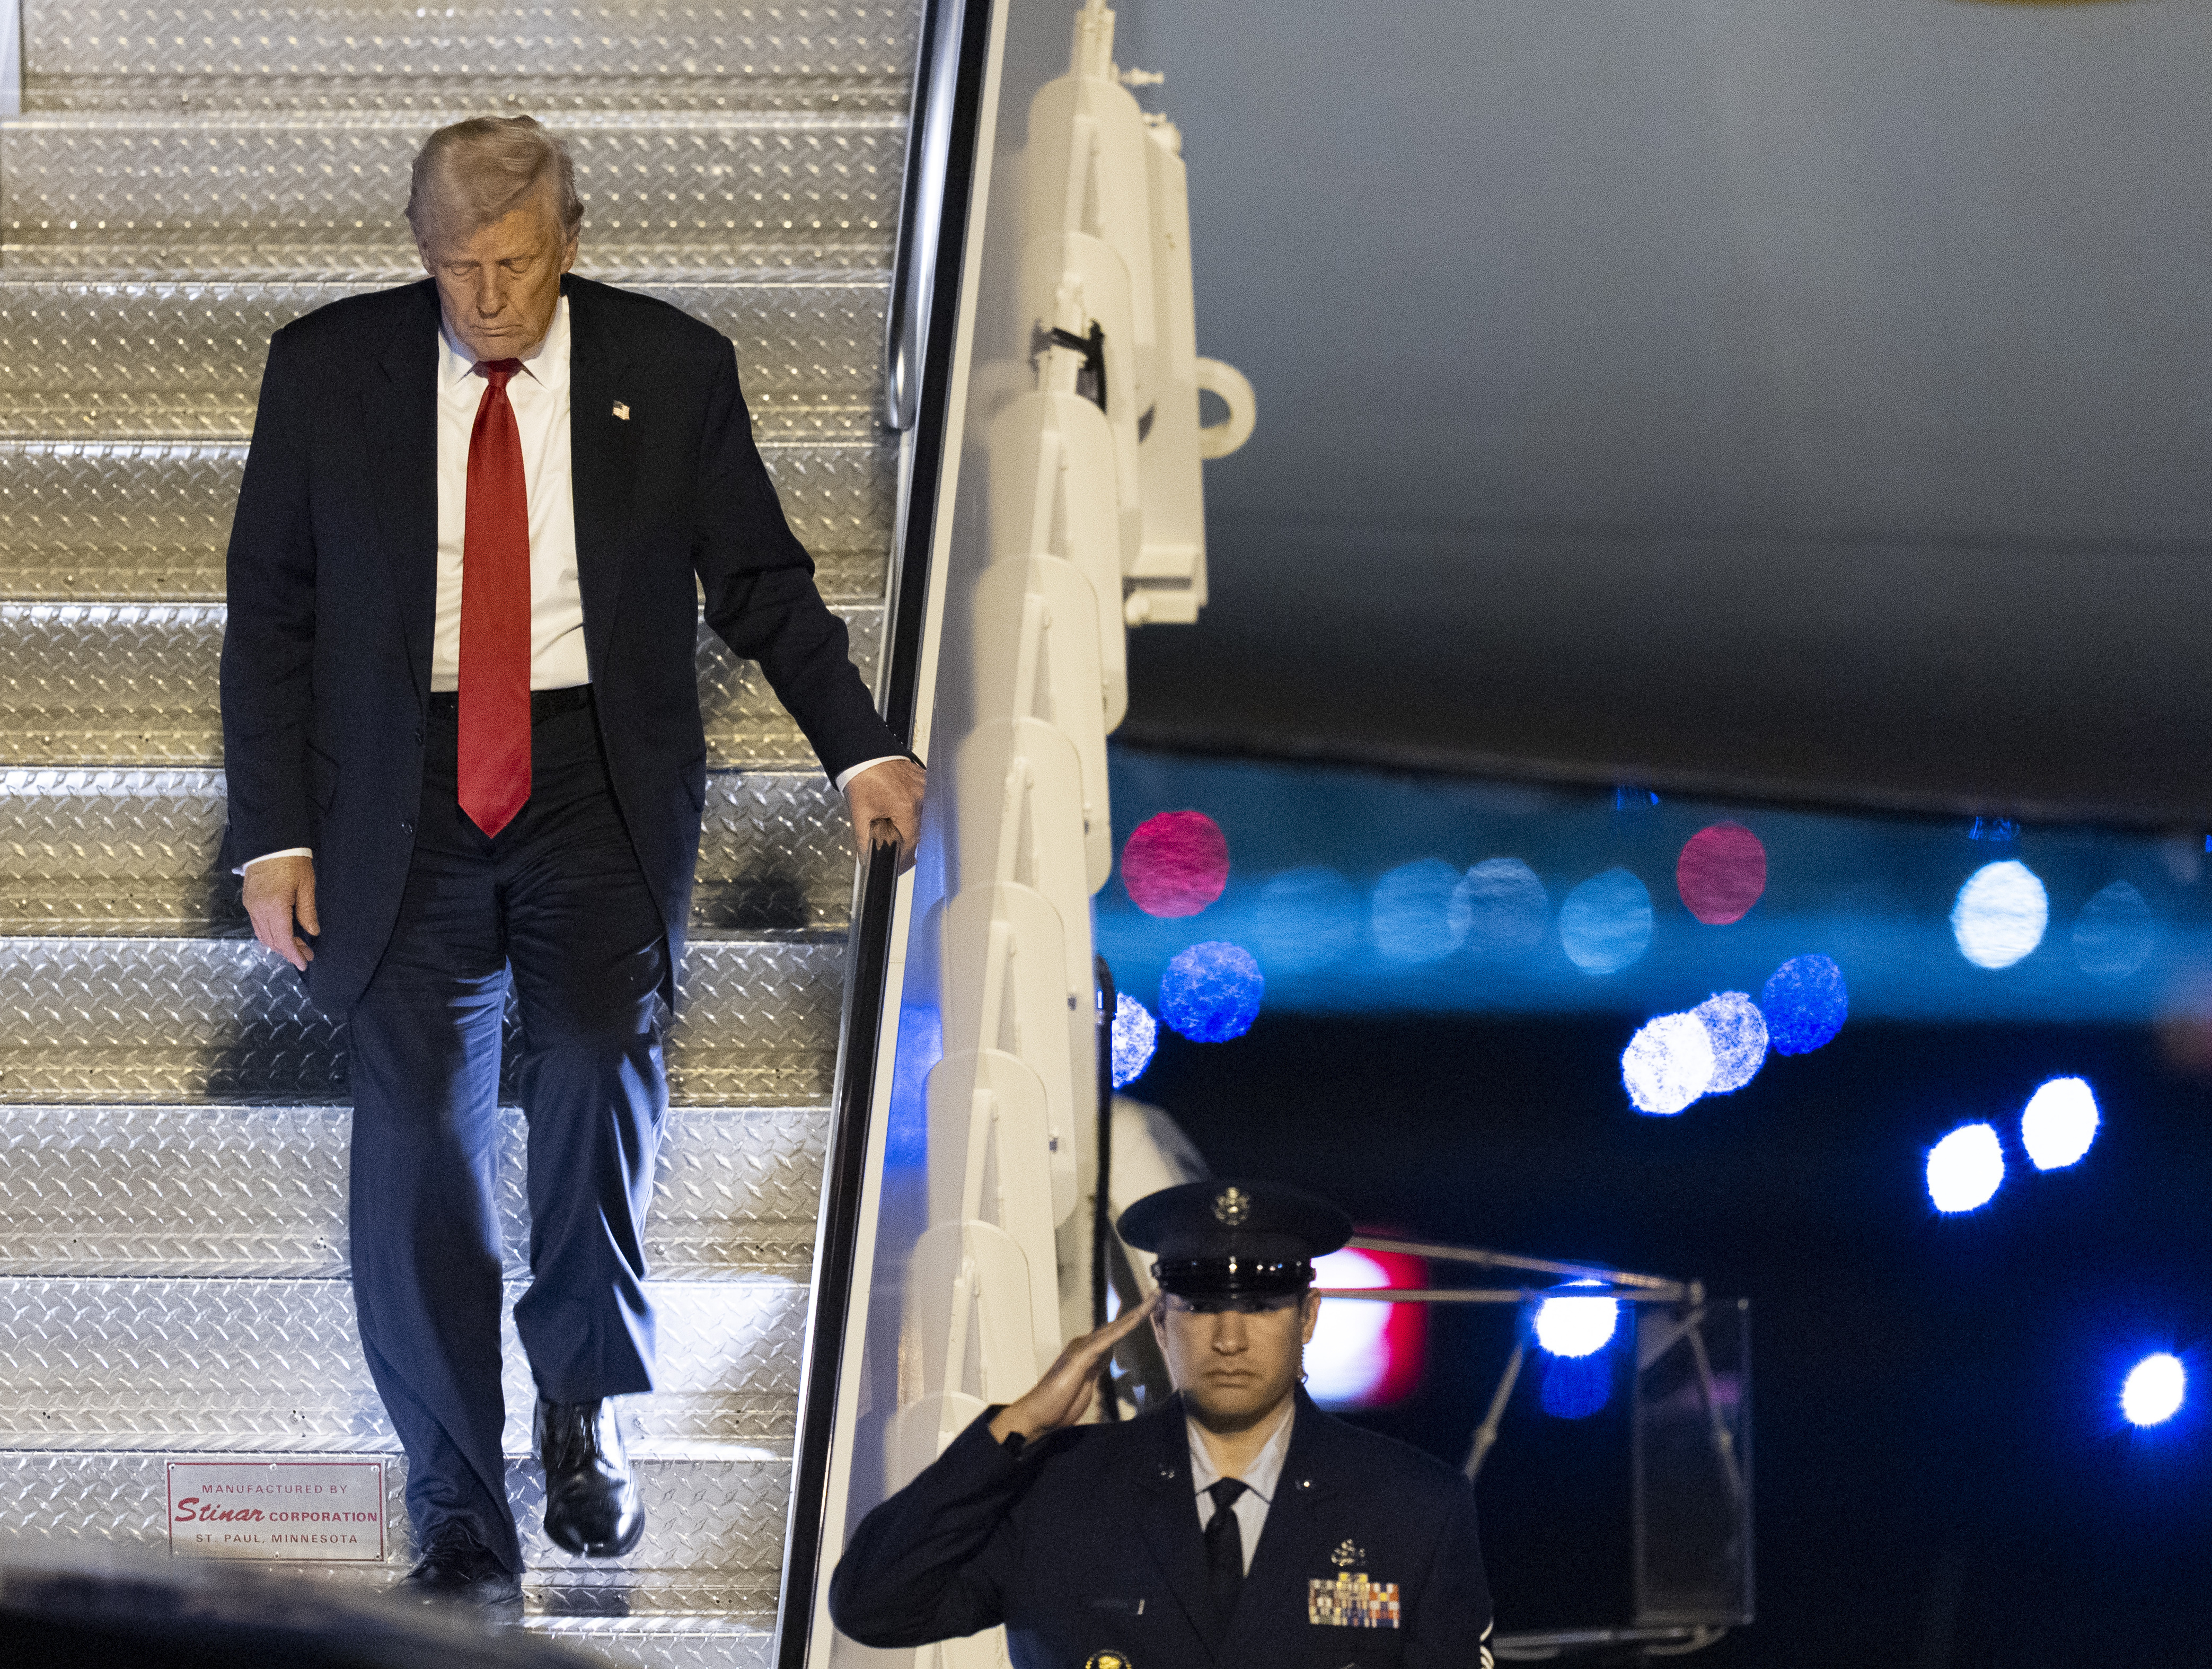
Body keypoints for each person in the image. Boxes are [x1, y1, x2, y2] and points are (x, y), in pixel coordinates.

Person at [217, 114, 927, 1608]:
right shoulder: (328, 368)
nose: (486, 298)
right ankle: (460, 1504)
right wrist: (274, 833)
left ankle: (582, 1400)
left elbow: (759, 580)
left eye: (516, 266)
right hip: (394, 791)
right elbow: (269, 608)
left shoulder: (667, 369)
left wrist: (859, 745)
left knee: (601, 1064)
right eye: (458, 268)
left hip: (592, 778)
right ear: (420, 256)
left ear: (573, 239)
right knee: (416, 1132)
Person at [833, 1180, 1496, 1667]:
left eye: (1262, 1307)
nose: (1230, 1340)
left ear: (1309, 1317)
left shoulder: (1413, 1505)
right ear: (1159, 1322)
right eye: (1202, 1307)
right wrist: (1018, 1426)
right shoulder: (1060, 1489)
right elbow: (876, 1606)